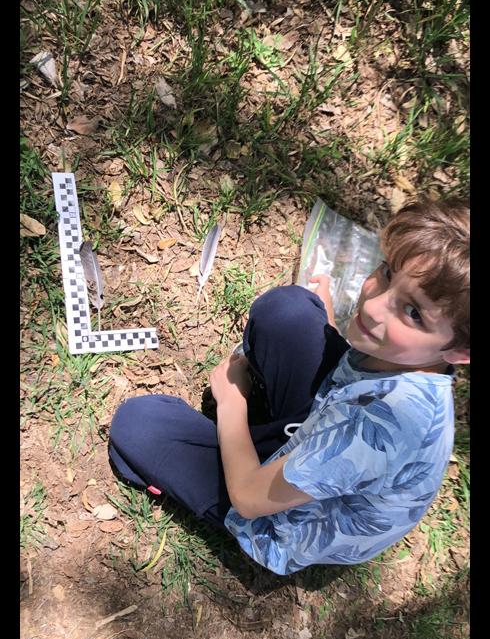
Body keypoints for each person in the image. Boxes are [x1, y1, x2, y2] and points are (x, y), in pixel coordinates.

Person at [108, 197, 469, 575]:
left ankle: (251, 442)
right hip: (324, 431)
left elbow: (248, 498)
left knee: (139, 424)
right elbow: (354, 387)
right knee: (290, 311)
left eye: (413, 312)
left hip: (279, 517)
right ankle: (270, 429)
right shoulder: (414, 359)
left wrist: (232, 402)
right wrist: (329, 326)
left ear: (461, 352)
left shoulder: (377, 428)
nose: (373, 306)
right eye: (387, 273)